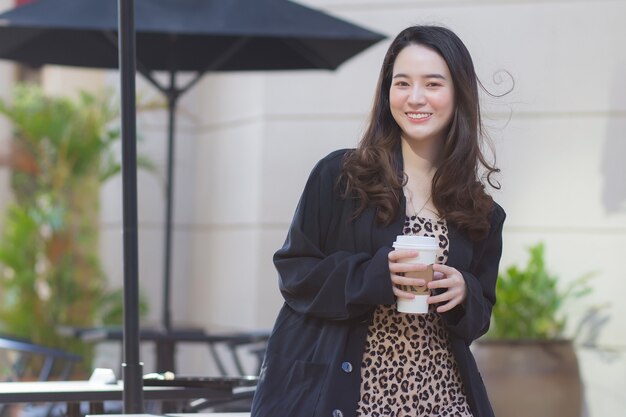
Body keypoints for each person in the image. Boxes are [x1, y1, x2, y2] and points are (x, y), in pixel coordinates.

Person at [251, 25, 506, 417]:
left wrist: (463, 292)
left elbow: (479, 317)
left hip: (444, 398)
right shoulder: (341, 176)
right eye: (402, 83)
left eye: (433, 84)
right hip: (356, 397)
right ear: (387, 92)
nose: (415, 97)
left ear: (458, 94)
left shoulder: (480, 210)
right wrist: (376, 276)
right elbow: (295, 274)